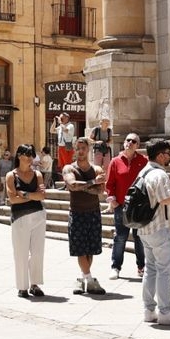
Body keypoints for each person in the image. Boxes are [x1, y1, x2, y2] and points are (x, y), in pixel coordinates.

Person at [136, 139, 170, 325]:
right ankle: (165, 311)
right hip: (159, 228)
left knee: (150, 269)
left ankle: (148, 310)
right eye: (168, 153)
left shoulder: (143, 172)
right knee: (165, 271)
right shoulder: (159, 174)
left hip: (144, 228)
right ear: (160, 155)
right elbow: (164, 199)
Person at [64, 136, 107, 295]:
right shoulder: (69, 168)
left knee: (90, 250)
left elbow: (100, 190)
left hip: (93, 212)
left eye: (83, 148)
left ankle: (83, 279)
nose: (80, 151)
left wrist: (85, 186)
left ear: (88, 149)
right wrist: (92, 183)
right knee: (80, 249)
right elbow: (72, 185)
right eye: (78, 148)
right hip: (77, 213)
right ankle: (90, 279)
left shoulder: (96, 169)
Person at [104, 132, 147, 280]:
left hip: (138, 206)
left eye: (133, 141)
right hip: (121, 206)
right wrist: (113, 201)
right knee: (120, 237)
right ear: (124, 143)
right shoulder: (115, 161)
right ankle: (115, 267)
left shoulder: (144, 161)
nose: (130, 143)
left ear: (137, 145)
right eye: (127, 140)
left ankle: (141, 267)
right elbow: (109, 183)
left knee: (139, 237)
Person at [5, 143, 47, 298]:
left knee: (37, 252)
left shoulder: (37, 174)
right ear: (19, 156)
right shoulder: (11, 175)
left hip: (38, 215)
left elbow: (42, 196)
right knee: (20, 253)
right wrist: (33, 196)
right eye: (28, 155)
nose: (30, 158)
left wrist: (24, 194)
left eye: (32, 155)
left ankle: (35, 284)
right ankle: (22, 287)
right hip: (20, 217)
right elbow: (12, 199)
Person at [51, 112, 77, 178]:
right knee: (62, 165)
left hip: (67, 146)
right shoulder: (60, 127)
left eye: (62, 118)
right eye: (60, 118)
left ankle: (70, 178)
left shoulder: (70, 126)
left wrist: (60, 122)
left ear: (67, 118)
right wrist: (54, 122)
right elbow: (52, 131)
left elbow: (65, 130)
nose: (61, 119)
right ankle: (65, 179)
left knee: (67, 165)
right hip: (60, 147)